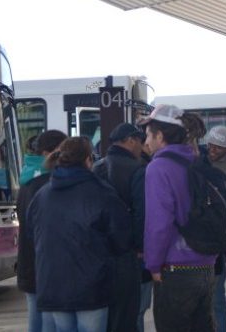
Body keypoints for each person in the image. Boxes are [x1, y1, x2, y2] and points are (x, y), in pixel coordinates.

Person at [27, 137, 132, 332]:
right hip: (92, 287)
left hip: (53, 284)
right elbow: (122, 240)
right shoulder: (102, 192)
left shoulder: (42, 195)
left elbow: (32, 233)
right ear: (88, 160)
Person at [140, 104, 216, 332]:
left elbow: (159, 224)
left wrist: (153, 264)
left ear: (160, 136)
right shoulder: (196, 162)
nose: (146, 142)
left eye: (148, 135)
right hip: (206, 265)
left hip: (175, 268)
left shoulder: (159, 167)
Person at [92, 123, 147, 332]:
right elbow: (142, 212)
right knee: (126, 314)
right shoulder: (137, 169)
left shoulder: (97, 167)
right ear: (130, 140)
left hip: (99, 253)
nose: (142, 147)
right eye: (140, 142)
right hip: (126, 253)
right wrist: (141, 247)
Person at [17, 130, 67, 332]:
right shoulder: (46, 184)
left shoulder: (27, 178)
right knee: (47, 324)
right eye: (62, 152)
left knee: (37, 322)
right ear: (48, 153)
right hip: (44, 265)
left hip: (30, 263)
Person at [205, 125, 226, 332]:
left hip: (217, 241)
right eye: (210, 146)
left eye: (217, 147)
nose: (212, 150)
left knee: (216, 298)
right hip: (210, 241)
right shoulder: (205, 163)